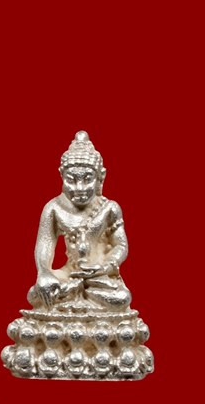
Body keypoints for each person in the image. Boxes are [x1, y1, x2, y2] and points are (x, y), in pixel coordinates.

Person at [28, 130, 132, 310]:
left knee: (121, 298)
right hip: (68, 274)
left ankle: (76, 301)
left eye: (87, 179)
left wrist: (105, 267)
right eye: (71, 180)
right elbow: (45, 244)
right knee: (35, 294)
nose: (79, 188)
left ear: (101, 177)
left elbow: (120, 245)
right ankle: (77, 299)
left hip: (98, 276)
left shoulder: (109, 208)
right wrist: (44, 273)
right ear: (61, 176)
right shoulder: (54, 208)